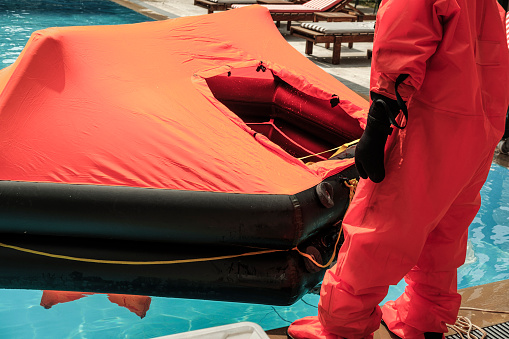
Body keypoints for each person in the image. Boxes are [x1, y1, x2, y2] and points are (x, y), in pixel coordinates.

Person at [288, 0, 509, 338]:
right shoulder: (491, 5)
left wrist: (377, 126)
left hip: (426, 120)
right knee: (446, 230)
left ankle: (342, 327)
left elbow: (402, 41)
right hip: (479, 129)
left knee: (379, 225)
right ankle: (424, 318)